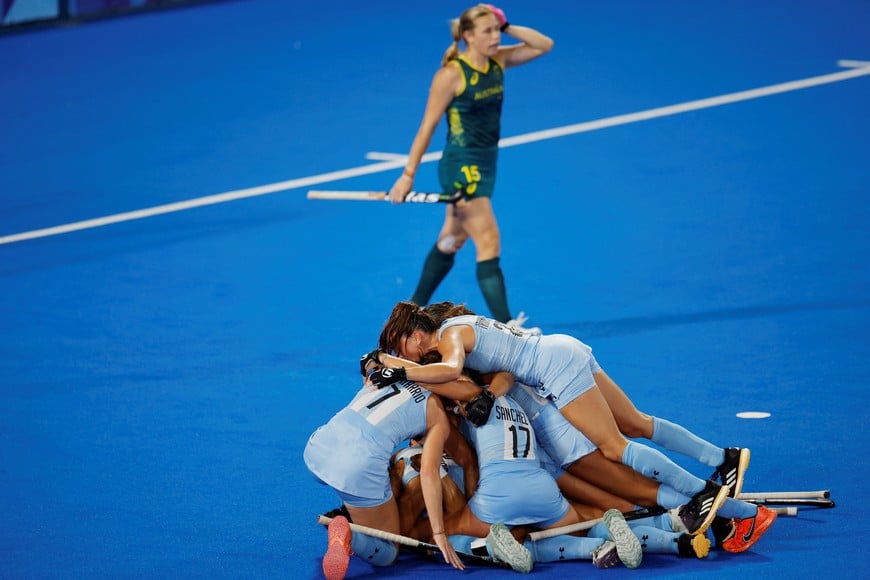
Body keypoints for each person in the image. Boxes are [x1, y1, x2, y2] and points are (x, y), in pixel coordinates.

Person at [371, 301, 735, 538]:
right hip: (561, 355)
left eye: (401, 347)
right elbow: (501, 376)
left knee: (619, 458)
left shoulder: (450, 346)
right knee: (636, 426)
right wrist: (489, 395)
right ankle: (721, 460)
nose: (405, 355)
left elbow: (450, 372)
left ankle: (707, 499)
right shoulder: (466, 332)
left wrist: (396, 369)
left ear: (417, 332)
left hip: (551, 404)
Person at [387, 4, 552, 327]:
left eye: (496, 30)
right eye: (487, 31)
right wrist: (407, 175)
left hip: (488, 162)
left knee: (452, 237)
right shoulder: (451, 75)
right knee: (488, 238)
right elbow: (427, 127)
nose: (494, 36)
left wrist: (506, 27)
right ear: (467, 36)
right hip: (461, 165)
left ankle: (408, 317)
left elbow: (543, 45)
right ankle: (509, 330)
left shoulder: (499, 61)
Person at [303, 363, 474, 578]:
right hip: (355, 467)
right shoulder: (437, 414)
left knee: (379, 473)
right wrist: (439, 532)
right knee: (389, 551)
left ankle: (352, 511)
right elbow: (429, 473)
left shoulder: (392, 370)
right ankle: (348, 531)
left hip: (317, 447)